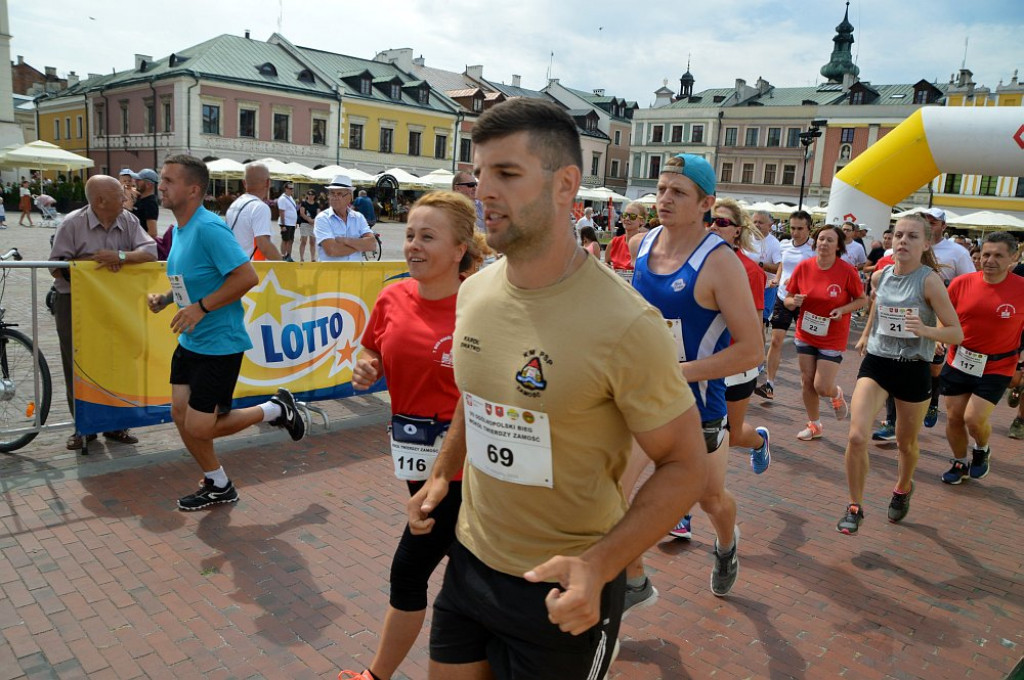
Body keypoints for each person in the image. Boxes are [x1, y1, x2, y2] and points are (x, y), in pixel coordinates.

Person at [406, 98, 708, 680]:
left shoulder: (626, 323)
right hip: (469, 562)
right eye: (480, 174)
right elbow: (481, 396)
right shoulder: (474, 293)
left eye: (508, 174)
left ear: (566, 184)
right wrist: (444, 470)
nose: (482, 192)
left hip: (564, 585)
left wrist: (600, 566)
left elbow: (685, 466)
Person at [338, 191, 485, 680]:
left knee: (412, 570)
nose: (413, 246)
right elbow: (373, 352)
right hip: (412, 457)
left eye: (428, 236)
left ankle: (377, 675)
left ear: (460, 248)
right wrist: (367, 367)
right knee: (471, 571)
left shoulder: (480, 305)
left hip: (468, 467)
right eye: (410, 235)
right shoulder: (391, 295)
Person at [623, 153, 762, 599]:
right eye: (662, 188)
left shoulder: (721, 263)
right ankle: (634, 582)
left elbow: (752, 349)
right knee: (610, 496)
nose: (664, 198)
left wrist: (681, 372)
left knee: (710, 500)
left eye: (678, 192)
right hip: (642, 398)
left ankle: (726, 545)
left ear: (707, 203)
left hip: (697, 405)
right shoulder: (639, 245)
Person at [146, 155, 306, 510]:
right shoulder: (182, 230)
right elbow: (195, 278)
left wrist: (200, 309)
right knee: (180, 416)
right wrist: (167, 299)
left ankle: (275, 409)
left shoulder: (209, 228)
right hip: (190, 340)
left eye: (169, 180)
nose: (161, 186)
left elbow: (246, 276)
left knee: (200, 426)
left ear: (194, 189)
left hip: (219, 344)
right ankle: (218, 483)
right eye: (162, 179)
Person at [837, 215, 962, 535]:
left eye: (912, 237)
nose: (903, 241)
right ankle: (855, 505)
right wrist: (866, 334)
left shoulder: (929, 280)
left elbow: (956, 333)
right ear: (891, 240)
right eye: (898, 235)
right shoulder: (880, 276)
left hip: (913, 368)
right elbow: (878, 306)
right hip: (878, 363)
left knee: (906, 444)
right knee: (856, 435)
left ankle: (903, 487)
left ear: (925, 244)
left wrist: (925, 330)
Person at [49, 175, 157, 450]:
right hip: (75, 302)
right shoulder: (72, 223)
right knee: (77, 362)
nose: (125, 199)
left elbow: (150, 251)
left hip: (117, 303)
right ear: (99, 201)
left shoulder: (129, 221)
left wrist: (120, 257)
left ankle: (116, 425)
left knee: (117, 360)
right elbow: (56, 265)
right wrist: (90, 264)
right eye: (119, 196)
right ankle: (83, 428)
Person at [939, 232, 1024, 485]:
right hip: (959, 359)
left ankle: (982, 449)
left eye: (998, 255)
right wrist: (938, 337)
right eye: (986, 254)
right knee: (954, 417)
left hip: (998, 365)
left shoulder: (1021, 288)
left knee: (973, 419)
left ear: (1014, 257)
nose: (989, 260)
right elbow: (942, 314)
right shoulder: (961, 283)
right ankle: (959, 462)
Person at [783, 225, 867, 441]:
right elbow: (788, 299)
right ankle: (814, 425)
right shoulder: (804, 267)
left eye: (830, 240)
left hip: (833, 334)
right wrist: (795, 300)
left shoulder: (847, 271)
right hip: (806, 331)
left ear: (838, 245)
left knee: (821, 386)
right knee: (806, 380)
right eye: (821, 239)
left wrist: (843, 309)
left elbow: (862, 300)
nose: (824, 243)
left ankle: (836, 394)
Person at [709, 198, 771, 474]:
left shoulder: (751, 271)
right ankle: (684, 510)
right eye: (709, 220)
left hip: (735, 365)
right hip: (700, 363)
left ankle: (759, 441)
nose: (713, 226)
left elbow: (756, 326)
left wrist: (756, 363)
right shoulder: (693, 262)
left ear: (737, 230)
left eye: (721, 222)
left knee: (731, 436)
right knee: (699, 437)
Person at [756, 211, 815, 400]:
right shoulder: (784, 244)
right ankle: (769, 385)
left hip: (805, 300)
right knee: (775, 340)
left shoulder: (814, 248)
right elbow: (782, 265)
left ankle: (811, 381)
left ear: (809, 228)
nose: (796, 232)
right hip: (783, 297)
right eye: (793, 228)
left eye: (800, 228)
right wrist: (779, 280)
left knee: (805, 344)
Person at [224, 162, 282, 261]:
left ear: (244, 183)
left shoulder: (235, 205)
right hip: (253, 270)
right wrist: (285, 267)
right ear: (268, 183)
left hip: (235, 266)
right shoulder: (259, 207)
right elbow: (264, 245)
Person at [313, 175, 376, 262]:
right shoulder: (322, 218)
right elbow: (332, 250)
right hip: (331, 274)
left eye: (339, 194)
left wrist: (345, 240)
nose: (335, 197)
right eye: (332, 193)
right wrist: (360, 245)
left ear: (350, 197)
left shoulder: (358, 217)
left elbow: (372, 244)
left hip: (354, 273)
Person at [605, 201, 644, 271]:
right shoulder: (614, 243)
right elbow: (606, 263)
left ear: (642, 221)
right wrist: (606, 267)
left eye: (632, 216)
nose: (627, 219)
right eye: (625, 215)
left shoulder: (646, 244)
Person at [131, 168, 161, 238]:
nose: (135, 181)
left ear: (148, 184)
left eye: (139, 180)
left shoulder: (150, 203)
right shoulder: (139, 198)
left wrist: (139, 243)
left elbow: (153, 232)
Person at [276, 182, 299, 261]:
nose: (292, 190)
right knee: (285, 240)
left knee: (291, 240)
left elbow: (293, 210)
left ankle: (288, 256)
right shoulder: (282, 198)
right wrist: (283, 225)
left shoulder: (290, 198)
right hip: (286, 222)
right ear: (286, 189)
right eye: (290, 188)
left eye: (292, 188)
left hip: (291, 223)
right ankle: (283, 256)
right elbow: (281, 212)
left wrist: (295, 222)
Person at [298, 189, 320, 262]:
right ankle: (301, 258)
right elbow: (302, 213)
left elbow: (318, 214)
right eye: (309, 194)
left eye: (312, 195)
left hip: (313, 224)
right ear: (307, 195)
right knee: (304, 241)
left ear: (314, 196)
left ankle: (313, 258)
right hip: (304, 223)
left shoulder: (316, 204)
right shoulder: (304, 203)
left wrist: (314, 221)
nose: (310, 196)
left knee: (312, 241)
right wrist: (309, 219)